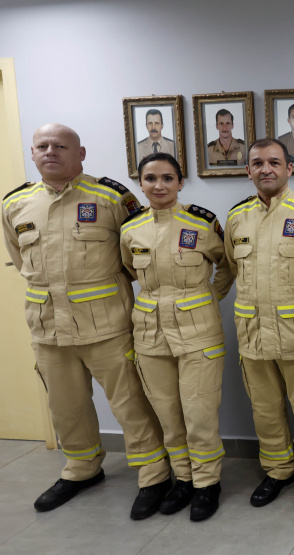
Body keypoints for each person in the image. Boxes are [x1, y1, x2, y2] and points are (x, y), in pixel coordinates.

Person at [2, 124, 170, 520]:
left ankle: (153, 474)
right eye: (42, 146)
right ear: (32, 153)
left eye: (61, 145)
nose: (50, 152)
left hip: (107, 325)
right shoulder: (16, 204)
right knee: (65, 407)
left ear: (81, 153)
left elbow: (135, 256)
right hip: (47, 328)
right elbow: (19, 258)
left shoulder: (112, 197)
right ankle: (80, 469)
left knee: (131, 404)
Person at [120, 153, 233, 521]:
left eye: (168, 178)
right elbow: (128, 269)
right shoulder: (130, 228)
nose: (159, 185)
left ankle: (206, 483)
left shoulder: (201, 222)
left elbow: (228, 264)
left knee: (199, 412)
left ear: (180, 183)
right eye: (150, 178)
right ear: (140, 183)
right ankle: (182, 479)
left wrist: (207, 298)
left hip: (198, 331)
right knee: (168, 413)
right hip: (150, 332)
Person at [224, 139, 294, 514]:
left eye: (274, 162)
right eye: (257, 163)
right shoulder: (237, 217)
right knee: (264, 409)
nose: (265, 169)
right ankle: (277, 469)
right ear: (248, 170)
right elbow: (231, 266)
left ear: (291, 168)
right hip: (252, 333)